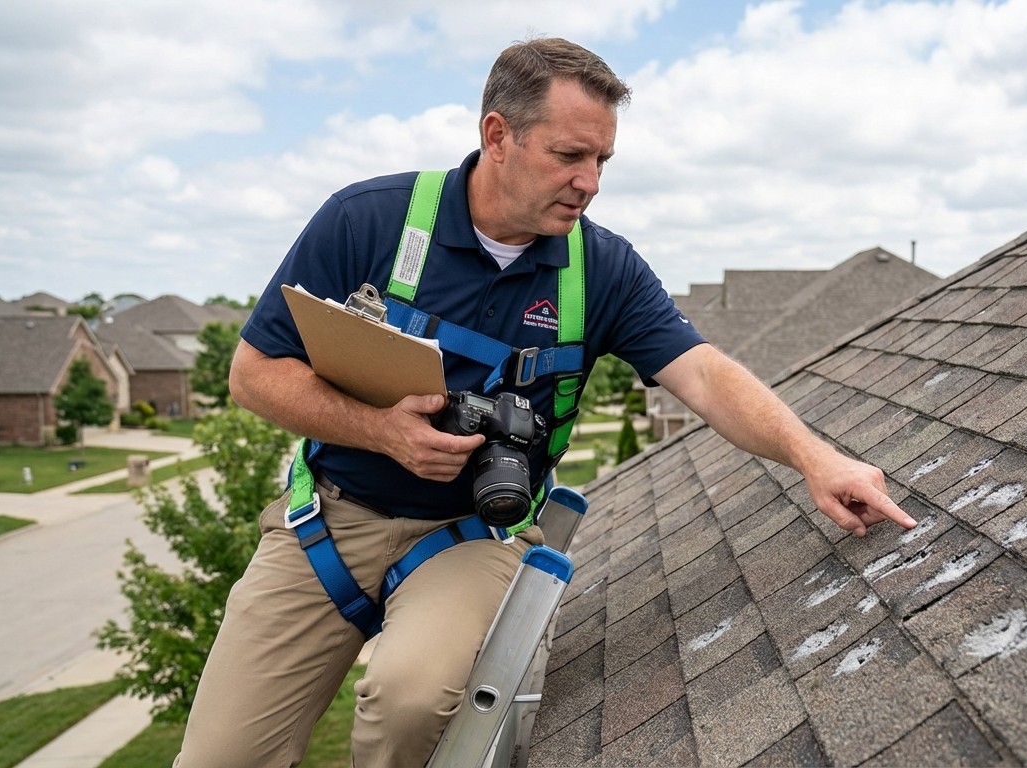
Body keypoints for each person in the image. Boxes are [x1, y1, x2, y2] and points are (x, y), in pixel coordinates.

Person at [178, 37, 915, 767]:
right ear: (497, 136)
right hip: (329, 523)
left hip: (471, 536)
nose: (590, 182)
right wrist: (380, 431)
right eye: (570, 156)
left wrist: (815, 458)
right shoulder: (366, 221)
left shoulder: (601, 271)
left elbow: (704, 374)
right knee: (220, 755)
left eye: (602, 161)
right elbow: (254, 374)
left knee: (408, 699)